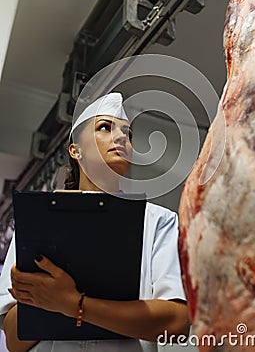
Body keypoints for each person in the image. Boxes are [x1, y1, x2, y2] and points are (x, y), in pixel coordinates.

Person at [0, 92, 189, 352]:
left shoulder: (158, 221)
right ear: (75, 151)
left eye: (128, 133)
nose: (122, 136)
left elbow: (177, 324)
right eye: (105, 127)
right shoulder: (36, 219)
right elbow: (14, 340)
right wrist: (36, 294)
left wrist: (72, 304)